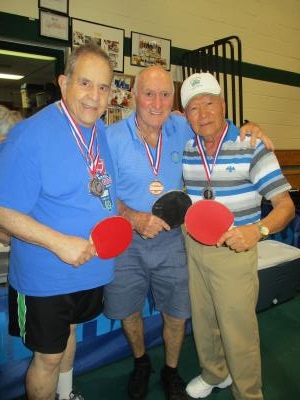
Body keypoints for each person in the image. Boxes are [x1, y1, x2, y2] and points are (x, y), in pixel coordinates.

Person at [103, 65, 272, 400]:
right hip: (127, 238)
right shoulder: (111, 137)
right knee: (129, 311)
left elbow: (218, 125)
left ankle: (170, 370)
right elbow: (102, 191)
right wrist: (134, 217)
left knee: (178, 312)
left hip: (174, 238)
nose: (156, 102)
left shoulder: (182, 126)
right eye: (148, 93)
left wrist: (251, 130)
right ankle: (141, 363)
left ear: (172, 102)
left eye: (165, 94)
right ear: (133, 96)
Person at [0, 42, 116, 400]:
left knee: (67, 337)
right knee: (47, 357)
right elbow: (3, 210)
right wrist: (58, 242)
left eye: (103, 87)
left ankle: (65, 395)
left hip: (88, 269)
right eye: (85, 83)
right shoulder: (29, 135)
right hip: (44, 276)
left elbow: (101, 191)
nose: (94, 97)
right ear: (64, 83)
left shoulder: (100, 132)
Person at [180, 72, 295, 400]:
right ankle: (215, 373)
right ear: (185, 115)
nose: (202, 113)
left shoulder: (251, 144)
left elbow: (285, 206)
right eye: (192, 108)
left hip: (234, 248)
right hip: (194, 245)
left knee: (238, 330)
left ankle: (249, 393)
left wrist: (256, 231)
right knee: (203, 320)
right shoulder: (187, 146)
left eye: (209, 103)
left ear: (224, 105)